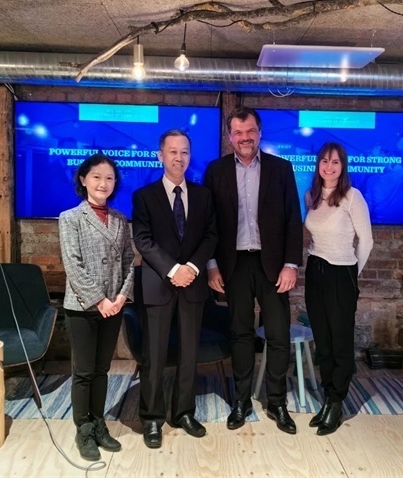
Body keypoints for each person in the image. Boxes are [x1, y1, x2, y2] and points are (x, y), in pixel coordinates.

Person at [204, 106, 303, 435]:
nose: (245, 138)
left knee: (278, 335)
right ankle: (241, 400)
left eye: (250, 131)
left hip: (273, 265)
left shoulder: (281, 168)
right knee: (241, 334)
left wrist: (291, 264)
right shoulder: (216, 170)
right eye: (238, 133)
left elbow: (292, 219)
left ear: (259, 133)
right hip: (234, 265)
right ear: (230, 136)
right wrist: (212, 265)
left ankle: (277, 402)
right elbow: (209, 223)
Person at [132, 129, 218, 449]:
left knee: (188, 353)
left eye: (184, 152)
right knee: (153, 355)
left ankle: (183, 412)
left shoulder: (204, 196)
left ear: (190, 156)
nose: (178, 157)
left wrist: (191, 268)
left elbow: (211, 236)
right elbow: (143, 240)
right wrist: (173, 270)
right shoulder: (144, 196)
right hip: (158, 284)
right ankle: (152, 417)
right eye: (172, 151)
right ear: (160, 156)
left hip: (192, 285)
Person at [58, 153, 134, 461]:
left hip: (114, 306)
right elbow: (73, 265)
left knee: (102, 369)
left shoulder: (120, 219)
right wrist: (99, 300)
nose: (104, 183)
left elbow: (129, 261)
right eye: (97, 177)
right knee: (84, 371)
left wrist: (121, 297)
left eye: (110, 178)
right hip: (83, 307)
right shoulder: (70, 218)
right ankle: (84, 429)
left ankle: (99, 423)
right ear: (83, 179)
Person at [304, 142, 373, 435]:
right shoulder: (312, 196)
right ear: (318, 164)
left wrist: (352, 274)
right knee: (323, 341)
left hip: (341, 273)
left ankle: (337, 401)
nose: (329, 167)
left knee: (340, 342)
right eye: (324, 161)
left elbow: (366, 240)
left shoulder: (352, 197)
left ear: (342, 166)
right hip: (315, 271)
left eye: (335, 162)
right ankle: (327, 396)